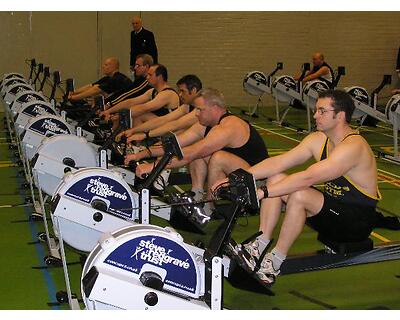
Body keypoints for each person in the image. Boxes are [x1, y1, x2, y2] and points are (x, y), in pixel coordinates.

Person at [216, 90, 380, 286]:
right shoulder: (319, 139)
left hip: (356, 222)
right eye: (316, 110)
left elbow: (309, 177)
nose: (314, 115)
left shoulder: (354, 146)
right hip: (331, 213)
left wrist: (262, 192)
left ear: (340, 115)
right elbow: (279, 162)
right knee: (276, 178)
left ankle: (274, 263)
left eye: (322, 111)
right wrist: (238, 179)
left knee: (300, 193)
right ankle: (259, 245)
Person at [129, 88, 269, 206]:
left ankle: (209, 205)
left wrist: (153, 167)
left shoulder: (228, 127)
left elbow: (191, 153)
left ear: (214, 108)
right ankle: (197, 194)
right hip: (236, 174)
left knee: (216, 156)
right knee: (200, 149)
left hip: (257, 181)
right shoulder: (205, 125)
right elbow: (176, 144)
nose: (196, 113)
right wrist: (141, 155)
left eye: (200, 109)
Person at [119, 74, 202, 143]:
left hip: (204, 145)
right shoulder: (187, 105)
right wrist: (133, 130)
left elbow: (176, 125)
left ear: (194, 90)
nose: (180, 95)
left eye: (182, 91)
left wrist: (145, 135)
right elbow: (164, 119)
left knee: (177, 133)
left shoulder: (201, 107)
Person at [100, 64, 180, 127]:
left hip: (171, 126)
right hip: (160, 122)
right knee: (128, 113)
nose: (147, 78)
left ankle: (137, 145)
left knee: (139, 114)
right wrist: (108, 111)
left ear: (159, 77)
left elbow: (144, 108)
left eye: (150, 75)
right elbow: (130, 102)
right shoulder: (152, 91)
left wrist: (119, 116)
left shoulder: (167, 94)